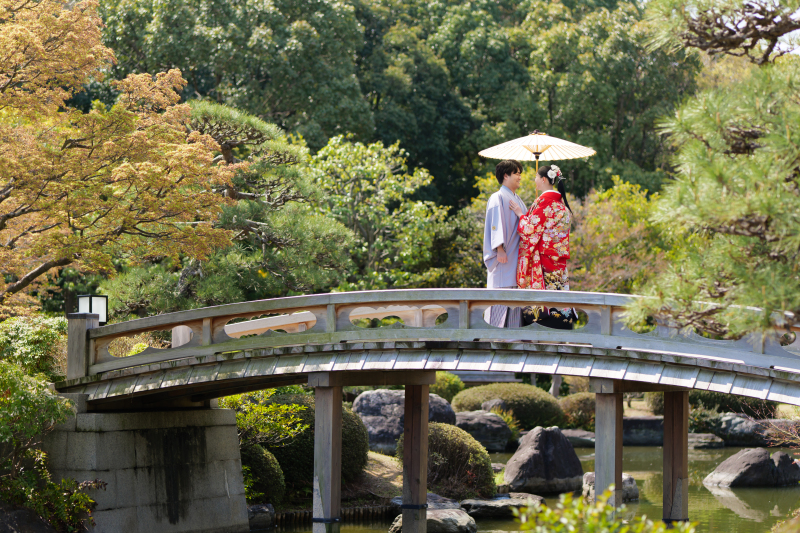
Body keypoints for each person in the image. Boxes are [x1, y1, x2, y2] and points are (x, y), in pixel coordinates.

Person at [509, 164, 576, 329]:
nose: (535, 180)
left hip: (544, 258)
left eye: (536, 177)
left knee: (544, 297)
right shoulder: (560, 204)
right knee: (559, 292)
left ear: (544, 179)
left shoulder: (544, 201)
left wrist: (520, 214)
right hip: (558, 259)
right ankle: (562, 326)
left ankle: (544, 329)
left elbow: (530, 229)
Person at [483, 159, 526, 327]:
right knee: (500, 301)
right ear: (506, 175)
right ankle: (495, 339)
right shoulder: (497, 197)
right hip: (504, 258)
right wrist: (499, 248)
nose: (519, 177)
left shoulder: (517, 199)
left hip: (515, 259)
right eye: (516, 173)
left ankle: (512, 340)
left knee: (514, 303)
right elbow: (495, 225)